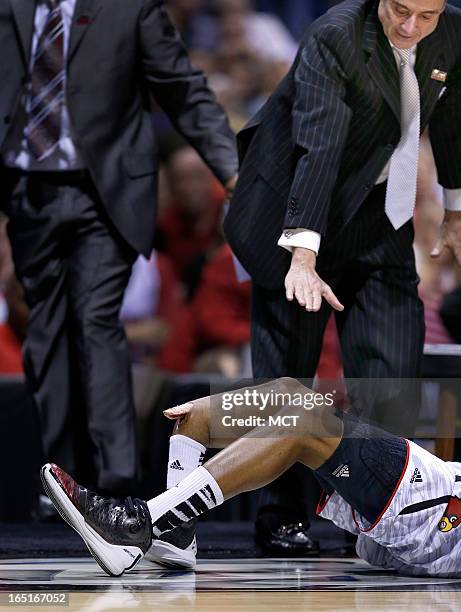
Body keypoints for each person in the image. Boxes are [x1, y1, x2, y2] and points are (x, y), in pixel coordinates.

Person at [222, 0, 461, 551]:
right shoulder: (335, 36)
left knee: (392, 373)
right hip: (292, 210)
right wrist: (302, 258)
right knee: (287, 379)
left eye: (425, 15)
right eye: (400, 10)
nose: (410, 27)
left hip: (380, 215)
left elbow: (450, 119)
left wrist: (453, 211)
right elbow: (318, 144)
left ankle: (386, 518)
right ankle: (280, 515)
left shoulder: (451, 34)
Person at [0, 0, 238, 498]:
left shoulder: (129, 8)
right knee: (45, 330)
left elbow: (182, 88)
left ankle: (115, 481)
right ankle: (64, 482)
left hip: (105, 191)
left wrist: (231, 168)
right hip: (27, 187)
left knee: (94, 317)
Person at [41, 377, 461, 577]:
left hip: (439, 509)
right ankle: (177, 533)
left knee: (301, 422)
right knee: (279, 395)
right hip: (429, 494)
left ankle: (136, 525)